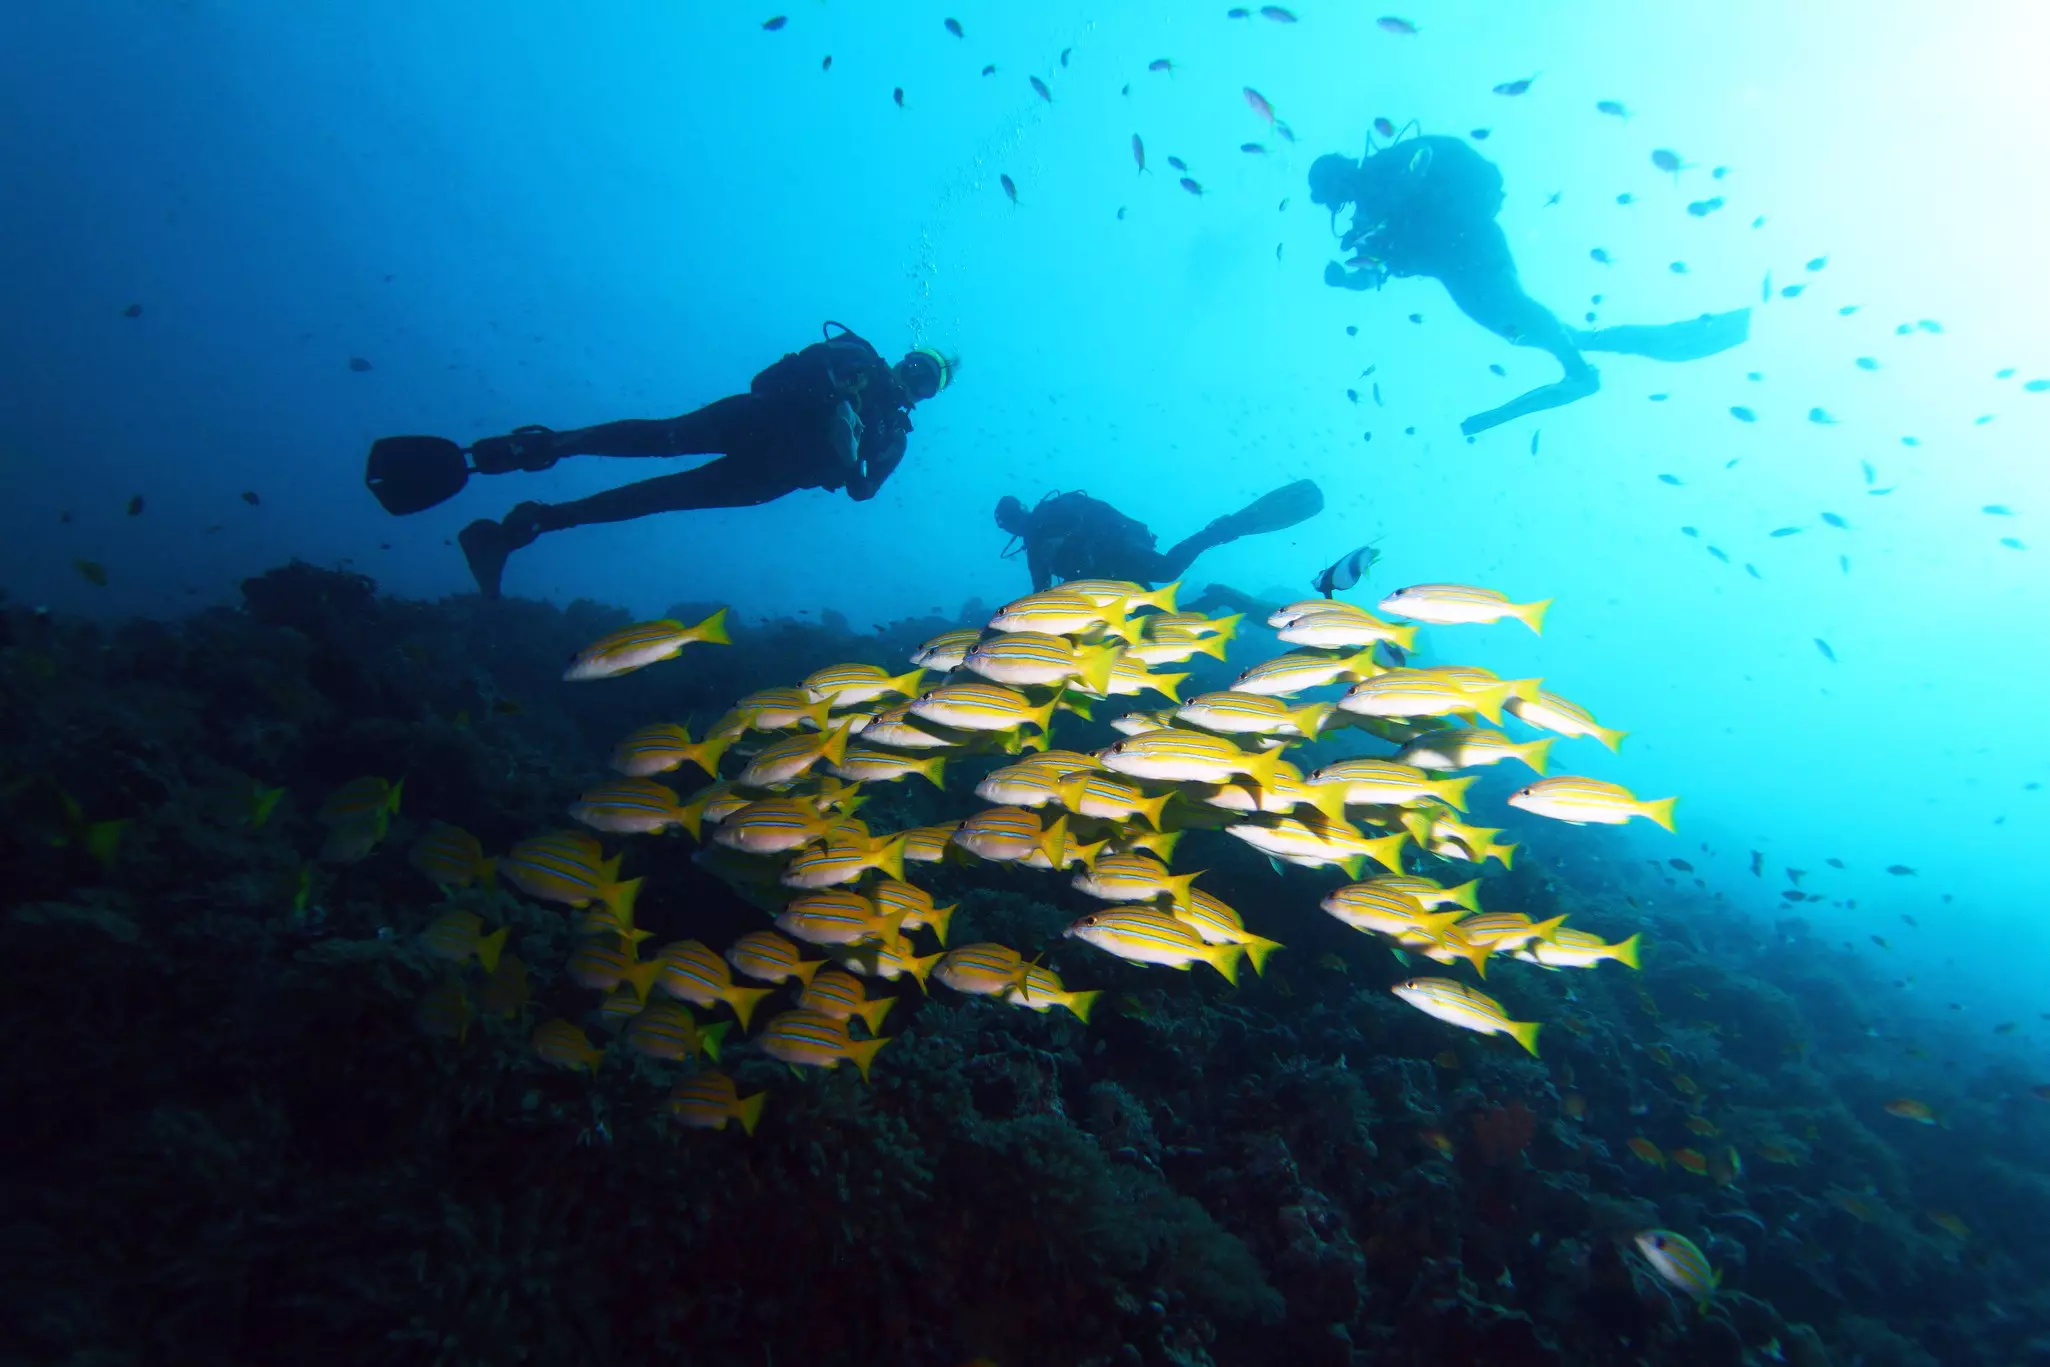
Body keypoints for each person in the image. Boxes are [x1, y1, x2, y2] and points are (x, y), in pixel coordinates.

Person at [371, 323, 954, 598]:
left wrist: (849, 448)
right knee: (661, 437)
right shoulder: (854, 356)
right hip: (754, 421)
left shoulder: (893, 437)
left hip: (769, 477)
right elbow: (766, 379)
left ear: (927, 396)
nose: (914, 380)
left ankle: (530, 524)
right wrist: (829, 392)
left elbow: (861, 492)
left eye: (926, 383)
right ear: (903, 359)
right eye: (916, 367)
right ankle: (524, 449)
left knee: (657, 498)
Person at [1308, 134, 1750, 436]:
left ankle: (1578, 371)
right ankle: (1599, 350)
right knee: (1523, 330)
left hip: (1472, 244)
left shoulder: (1392, 165)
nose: (1337, 202)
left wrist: (1397, 195)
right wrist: (1347, 280)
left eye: (1331, 192)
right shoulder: (1369, 219)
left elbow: (1428, 163)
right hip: (1449, 268)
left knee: (1517, 308)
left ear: (1338, 175)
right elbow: (1376, 268)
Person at [993, 480, 1324, 593]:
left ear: (1020, 511)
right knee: (1152, 614)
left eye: (1010, 518)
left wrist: (1067, 538)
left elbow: (1092, 515)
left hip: (1118, 549)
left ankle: (1222, 529)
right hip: (1108, 579)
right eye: (1006, 523)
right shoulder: (1033, 549)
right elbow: (1041, 591)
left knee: (1166, 571)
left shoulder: (1052, 511)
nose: (1012, 525)